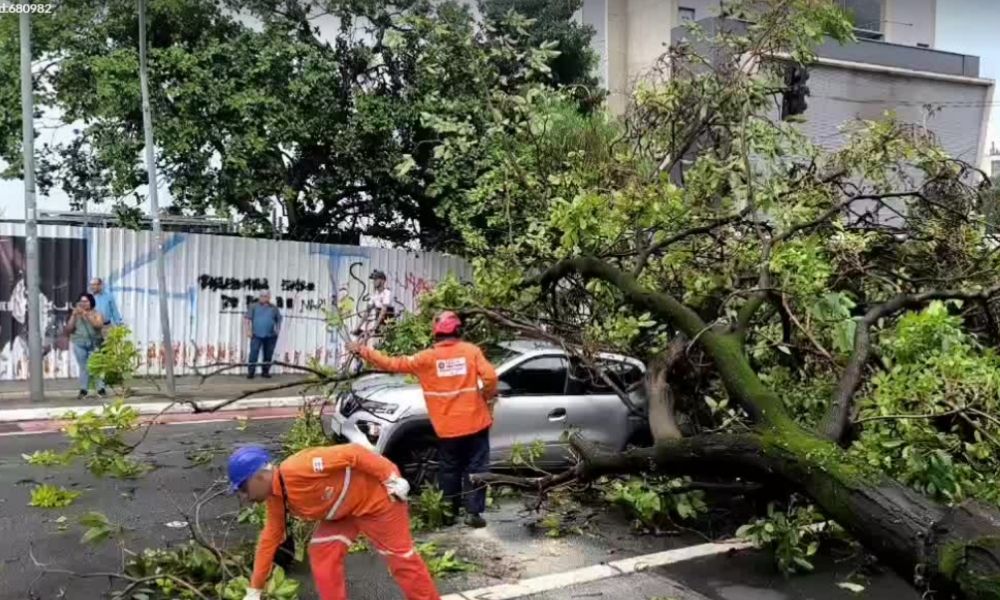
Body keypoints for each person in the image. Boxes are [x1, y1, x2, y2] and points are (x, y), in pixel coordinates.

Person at [227, 444, 440, 600]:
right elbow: (268, 541)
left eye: (243, 489)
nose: (244, 497)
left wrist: (391, 477)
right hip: (343, 514)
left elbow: (353, 453)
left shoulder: (299, 468)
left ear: (259, 477)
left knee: (401, 558)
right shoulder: (275, 499)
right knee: (322, 552)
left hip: (378, 501)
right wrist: (254, 590)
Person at [347, 311, 498, 528]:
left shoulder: (426, 358)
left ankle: (448, 513)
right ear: (458, 331)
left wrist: (362, 350)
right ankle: (473, 513)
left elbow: (391, 364)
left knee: (448, 469)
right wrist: (486, 396)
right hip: (476, 423)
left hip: (447, 428)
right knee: (477, 466)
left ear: (435, 334)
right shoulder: (471, 351)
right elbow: (491, 377)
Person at [65, 292, 106, 398]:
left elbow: (98, 325)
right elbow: (68, 329)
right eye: (81, 301)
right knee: (84, 367)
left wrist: (86, 315)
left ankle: (100, 388)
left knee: (96, 366)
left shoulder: (97, 313)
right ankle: (84, 389)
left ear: (91, 302)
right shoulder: (76, 314)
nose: (83, 304)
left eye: (85, 301)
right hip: (79, 343)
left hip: (94, 343)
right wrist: (74, 316)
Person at [244, 291, 282, 379]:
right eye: (262, 296)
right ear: (259, 297)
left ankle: (265, 372)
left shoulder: (274, 308)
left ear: (269, 297)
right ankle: (251, 372)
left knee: (268, 354)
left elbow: (279, 320)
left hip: (270, 335)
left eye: (265, 296)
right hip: (256, 335)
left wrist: (278, 330)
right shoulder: (253, 306)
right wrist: (248, 330)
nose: (263, 298)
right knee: (253, 353)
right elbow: (247, 319)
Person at [353, 270, 395, 340]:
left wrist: (375, 326)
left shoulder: (387, 293)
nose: (374, 282)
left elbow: (383, 311)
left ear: (383, 281)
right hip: (379, 323)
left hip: (388, 322)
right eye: (374, 280)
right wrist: (358, 327)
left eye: (376, 279)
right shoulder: (374, 295)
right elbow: (367, 312)